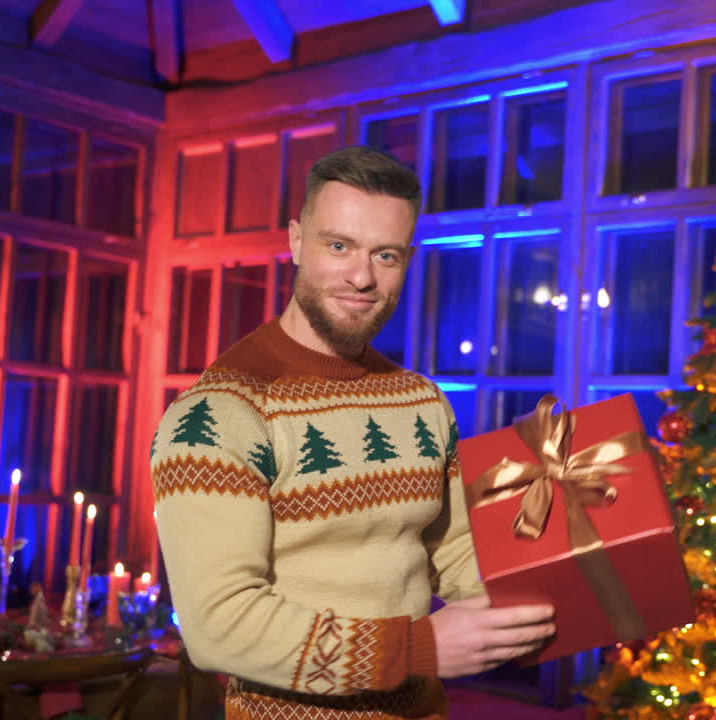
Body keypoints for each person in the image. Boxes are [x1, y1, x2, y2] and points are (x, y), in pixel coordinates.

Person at [152, 146, 555, 719]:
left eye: (385, 255)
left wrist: (574, 583)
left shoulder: (422, 400)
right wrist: (421, 649)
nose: (361, 277)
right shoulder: (219, 414)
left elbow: (461, 555)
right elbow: (218, 627)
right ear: (296, 241)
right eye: (338, 246)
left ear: (408, 259)